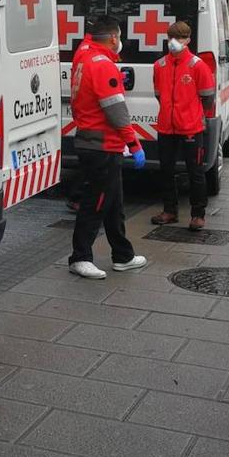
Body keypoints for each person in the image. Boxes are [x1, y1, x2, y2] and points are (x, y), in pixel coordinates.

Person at [68, 15, 149, 280]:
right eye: (119, 37)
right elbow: (116, 111)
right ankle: (80, 257)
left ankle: (123, 255)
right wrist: (134, 143)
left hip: (95, 142)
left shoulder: (84, 55)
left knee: (113, 203)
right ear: (114, 38)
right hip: (102, 146)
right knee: (96, 203)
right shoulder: (103, 65)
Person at [150, 22, 216, 230]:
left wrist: (191, 114)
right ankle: (170, 211)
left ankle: (198, 214)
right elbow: (159, 94)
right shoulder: (160, 65)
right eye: (171, 37)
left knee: (195, 172)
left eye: (179, 38)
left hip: (191, 128)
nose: (174, 42)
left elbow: (207, 97)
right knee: (166, 170)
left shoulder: (198, 66)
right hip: (166, 128)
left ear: (188, 40)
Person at [65, 19, 97, 213]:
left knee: (88, 162)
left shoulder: (84, 48)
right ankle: (77, 196)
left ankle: (78, 196)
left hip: (84, 110)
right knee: (89, 162)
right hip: (89, 112)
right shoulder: (89, 51)